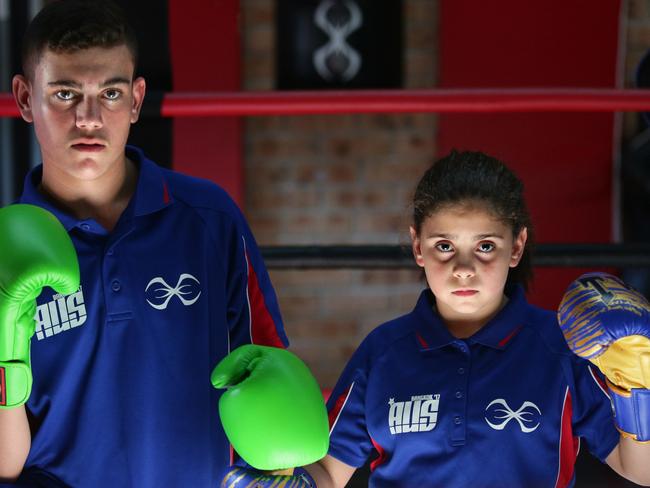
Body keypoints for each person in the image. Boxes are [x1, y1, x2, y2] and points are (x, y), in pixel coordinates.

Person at [223, 150, 650, 487]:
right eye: (444, 246)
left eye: (485, 246)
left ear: (516, 247)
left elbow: (640, 470)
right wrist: (285, 483)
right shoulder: (384, 352)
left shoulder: (560, 347)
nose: (464, 268)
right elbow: (331, 473)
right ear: (418, 247)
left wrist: (639, 382)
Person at [0, 1, 292, 486]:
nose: (89, 118)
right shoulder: (4, 252)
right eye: (66, 93)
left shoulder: (209, 218)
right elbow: (5, 465)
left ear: (136, 100)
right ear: (26, 98)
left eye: (110, 93)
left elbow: (271, 373)